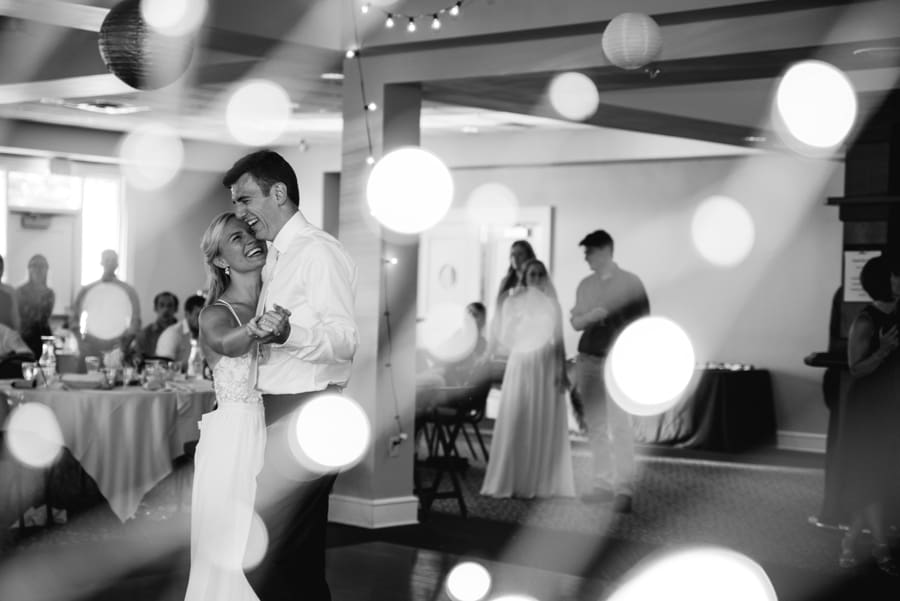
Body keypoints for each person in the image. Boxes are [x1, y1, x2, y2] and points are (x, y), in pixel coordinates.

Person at [224, 149, 358, 601]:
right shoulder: (279, 256)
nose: (239, 212)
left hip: (310, 410)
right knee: (291, 559)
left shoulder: (318, 251)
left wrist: (286, 334)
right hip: (283, 410)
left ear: (278, 192)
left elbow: (344, 340)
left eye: (245, 200)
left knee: (273, 554)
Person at [184, 213, 280, 601]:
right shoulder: (215, 313)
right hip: (233, 440)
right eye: (236, 239)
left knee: (271, 545)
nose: (250, 241)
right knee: (233, 545)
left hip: (273, 431)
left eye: (250, 233)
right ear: (221, 261)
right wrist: (256, 329)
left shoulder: (275, 297)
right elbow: (227, 343)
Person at [481, 259, 575, 498]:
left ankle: (541, 480)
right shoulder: (512, 302)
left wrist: (562, 370)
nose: (536, 278)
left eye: (540, 274)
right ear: (524, 277)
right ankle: (514, 479)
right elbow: (503, 338)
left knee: (542, 417)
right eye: (531, 274)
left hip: (545, 363)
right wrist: (514, 322)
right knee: (518, 417)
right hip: (521, 361)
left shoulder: (553, 305)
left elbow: (559, 340)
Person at [570, 230, 649, 513]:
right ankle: (602, 484)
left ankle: (624, 489)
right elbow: (575, 321)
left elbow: (643, 325)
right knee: (596, 426)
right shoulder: (585, 284)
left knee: (619, 427)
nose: (586, 258)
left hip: (617, 362)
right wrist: (590, 317)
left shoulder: (630, 283)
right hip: (588, 359)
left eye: (589, 252)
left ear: (605, 251)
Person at [834, 256, 900, 575]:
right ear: (883, 283)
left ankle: (851, 540)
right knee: (871, 474)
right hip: (868, 409)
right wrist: (884, 348)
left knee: (881, 475)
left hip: (891, 405)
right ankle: (879, 548)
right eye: (895, 277)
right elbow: (856, 368)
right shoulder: (866, 320)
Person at [71, 249, 141, 360]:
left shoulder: (128, 291)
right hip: (91, 344)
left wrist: (126, 344)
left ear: (117, 264)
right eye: (107, 260)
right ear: (101, 262)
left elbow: (136, 320)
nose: (110, 263)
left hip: (118, 343)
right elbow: (74, 318)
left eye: (113, 260)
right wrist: (80, 342)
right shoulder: (87, 290)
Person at [483, 240, 536, 382]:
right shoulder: (506, 282)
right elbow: (498, 316)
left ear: (529, 256)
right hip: (506, 342)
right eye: (512, 254)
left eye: (520, 254)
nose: (515, 258)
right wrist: (490, 350)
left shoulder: (535, 280)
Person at [16, 254, 54, 358]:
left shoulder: (49, 293)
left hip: (45, 337)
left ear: (46, 270)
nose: (38, 269)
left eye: (42, 266)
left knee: (47, 369)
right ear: (29, 269)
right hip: (25, 338)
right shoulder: (20, 292)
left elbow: (44, 317)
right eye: (35, 266)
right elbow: (18, 318)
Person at [156, 294, 205, 368]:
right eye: (198, 315)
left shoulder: (206, 333)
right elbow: (162, 366)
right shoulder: (172, 334)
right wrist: (189, 365)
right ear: (187, 314)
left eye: (205, 315)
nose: (202, 319)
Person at [133, 291, 178, 359]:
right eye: (161, 305)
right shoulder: (145, 334)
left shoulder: (184, 332)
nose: (166, 309)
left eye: (170, 305)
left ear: (176, 309)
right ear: (155, 308)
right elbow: (136, 359)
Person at [0, 254, 21, 332]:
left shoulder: (10, 291)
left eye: (0, 268)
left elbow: (15, 317)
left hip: (7, 335)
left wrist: (17, 334)